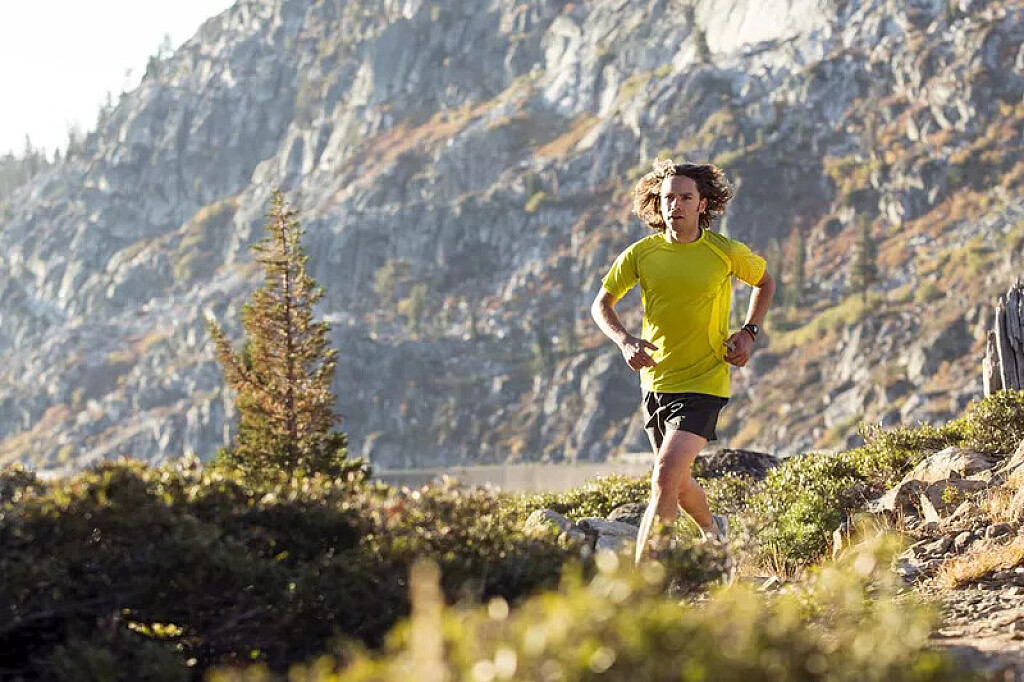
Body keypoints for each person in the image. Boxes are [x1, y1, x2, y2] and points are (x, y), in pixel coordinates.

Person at [590, 159, 775, 565]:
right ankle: (713, 531)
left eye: (686, 198)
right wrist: (624, 341)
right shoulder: (641, 254)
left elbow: (764, 282)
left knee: (663, 475)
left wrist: (749, 332)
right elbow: (602, 304)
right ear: (659, 204)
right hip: (656, 382)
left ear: (702, 204)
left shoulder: (724, 252)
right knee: (677, 478)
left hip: (705, 380)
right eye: (668, 198)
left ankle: (645, 581)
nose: (676, 205)